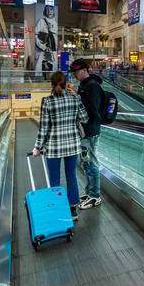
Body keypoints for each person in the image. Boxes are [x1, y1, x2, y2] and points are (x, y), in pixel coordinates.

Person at [32, 71, 88, 221]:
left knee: (55, 180)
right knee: (72, 177)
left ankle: (58, 210)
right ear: (65, 84)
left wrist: (37, 147)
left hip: (54, 146)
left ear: (51, 84)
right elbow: (85, 118)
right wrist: (77, 98)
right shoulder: (75, 99)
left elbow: (44, 128)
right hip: (72, 145)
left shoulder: (47, 101)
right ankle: (73, 210)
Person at [68, 59, 103, 210]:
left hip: (90, 131)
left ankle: (95, 196)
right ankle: (90, 192)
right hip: (84, 130)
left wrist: (77, 97)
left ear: (84, 70)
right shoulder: (84, 85)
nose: (75, 75)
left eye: (76, 72)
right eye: (73, 73)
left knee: (90, 163)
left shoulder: (93, 85)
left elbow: (93, 110)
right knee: (86, 163)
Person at [35, 5, 57, 80]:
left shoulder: (55, 23)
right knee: (39, 68)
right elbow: (36, 35)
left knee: (53, 67)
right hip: (43, 49)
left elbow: (55, 37)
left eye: (51, 9)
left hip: (52, 49)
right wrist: (42, 46)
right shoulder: (41, 21)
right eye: (47, 10)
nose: (49, 11)